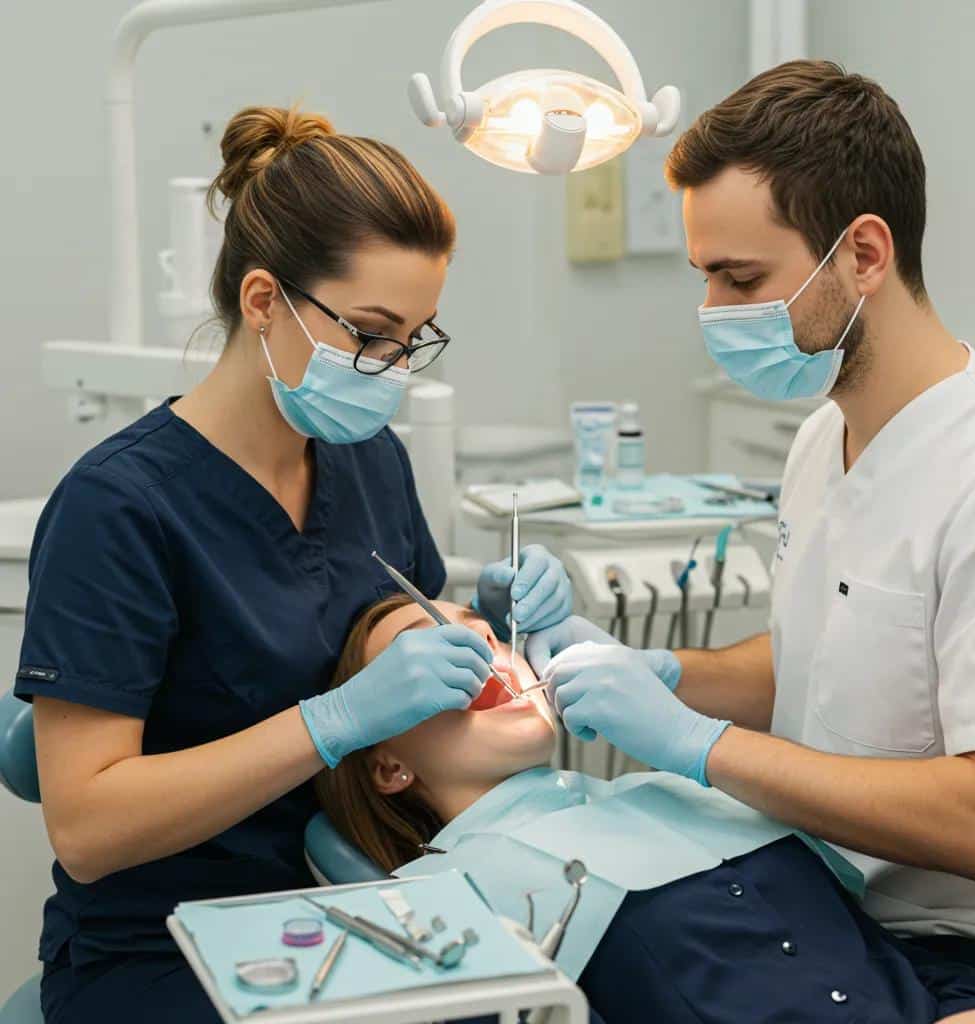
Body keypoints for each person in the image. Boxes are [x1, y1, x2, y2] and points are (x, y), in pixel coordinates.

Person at [14, 105, 572, 1024]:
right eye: (371, 333)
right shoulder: (118, 508)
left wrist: (484, 623)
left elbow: (391, 648)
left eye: (414, 338)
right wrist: (334, 721)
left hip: (357, 898)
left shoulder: (370, 460)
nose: (394, 369)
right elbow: (87, 828)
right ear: (264, 301)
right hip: (166, 943)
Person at [527, 59, 975, 1003]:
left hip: (960, 949)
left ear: (864, 254)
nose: (714, 312)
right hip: (825, 899)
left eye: (742, 277)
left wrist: (698, 743)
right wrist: (658, 672)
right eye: (706, 277)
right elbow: (824, 655)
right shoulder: (822, 438)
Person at [315, 592, 975, 1024]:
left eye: (487, 634)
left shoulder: (683, 795)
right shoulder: (437, 906)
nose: (480, 651)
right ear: (388, 766)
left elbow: (884, 952)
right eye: (429, 655)